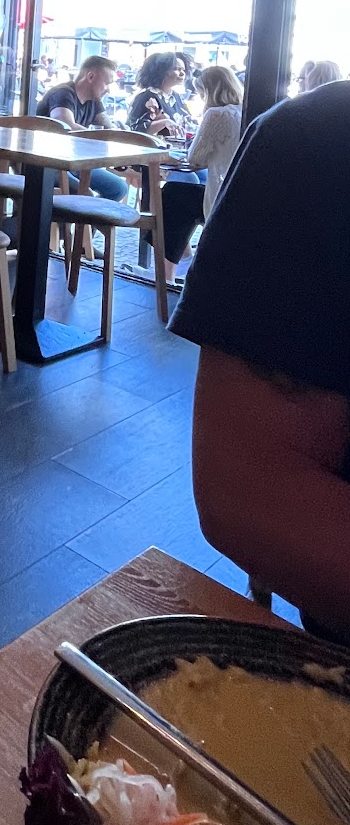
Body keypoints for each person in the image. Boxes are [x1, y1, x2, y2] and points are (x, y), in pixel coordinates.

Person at [174, 78, 350, 640]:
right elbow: (246, 490)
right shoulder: (322, 139)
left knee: (172, 202)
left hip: (210, 206)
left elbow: (191, 161)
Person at [159, 65, 244, 281]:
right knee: (185, 192)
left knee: (172, 195)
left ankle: (166, 272)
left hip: (221, 201)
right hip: (240, 195)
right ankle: (181, 261)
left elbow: (195, 158)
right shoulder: (244, 110)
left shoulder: (216, 114)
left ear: (208, 91)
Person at [35, 55, 127, 201]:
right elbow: (65, 126)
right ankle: (74, 214)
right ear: (90, 77)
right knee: (85, 194)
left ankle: (90, 215)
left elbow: (108, 129)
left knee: (118, 188)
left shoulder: (94, 101)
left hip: (74, 163)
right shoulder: (63, 93)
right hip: (47, 164)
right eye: (106, 83)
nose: (108, 90)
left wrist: (118, 135)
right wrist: (98, 138)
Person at [127, 51, 191, 137]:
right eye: (176, 69)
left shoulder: (177, 97)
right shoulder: (146, 97)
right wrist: (164, 123)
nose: (182, 73)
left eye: (183, 70)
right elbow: (135, 130)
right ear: (161, 71)